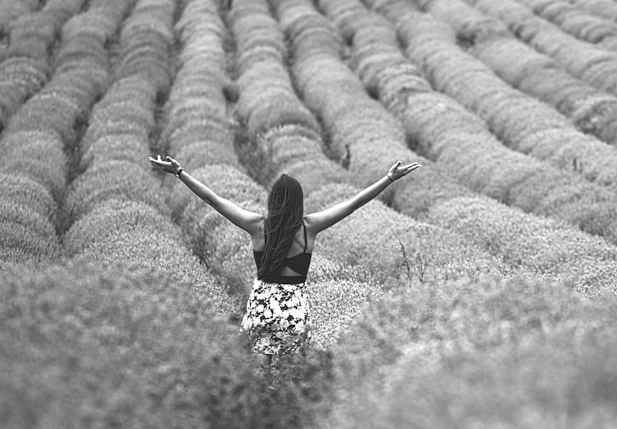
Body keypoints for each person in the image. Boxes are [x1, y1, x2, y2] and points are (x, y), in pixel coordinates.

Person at [148, 154, 420, 364]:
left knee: (259, 369)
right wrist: (388, 179)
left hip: (262, 307)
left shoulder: (256, 226)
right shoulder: (309, 227)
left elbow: (214, 201)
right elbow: (353, 204)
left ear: (273, 200)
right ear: (298, 202)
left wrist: (180, 173)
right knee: (289, 371)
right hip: (294, 311)